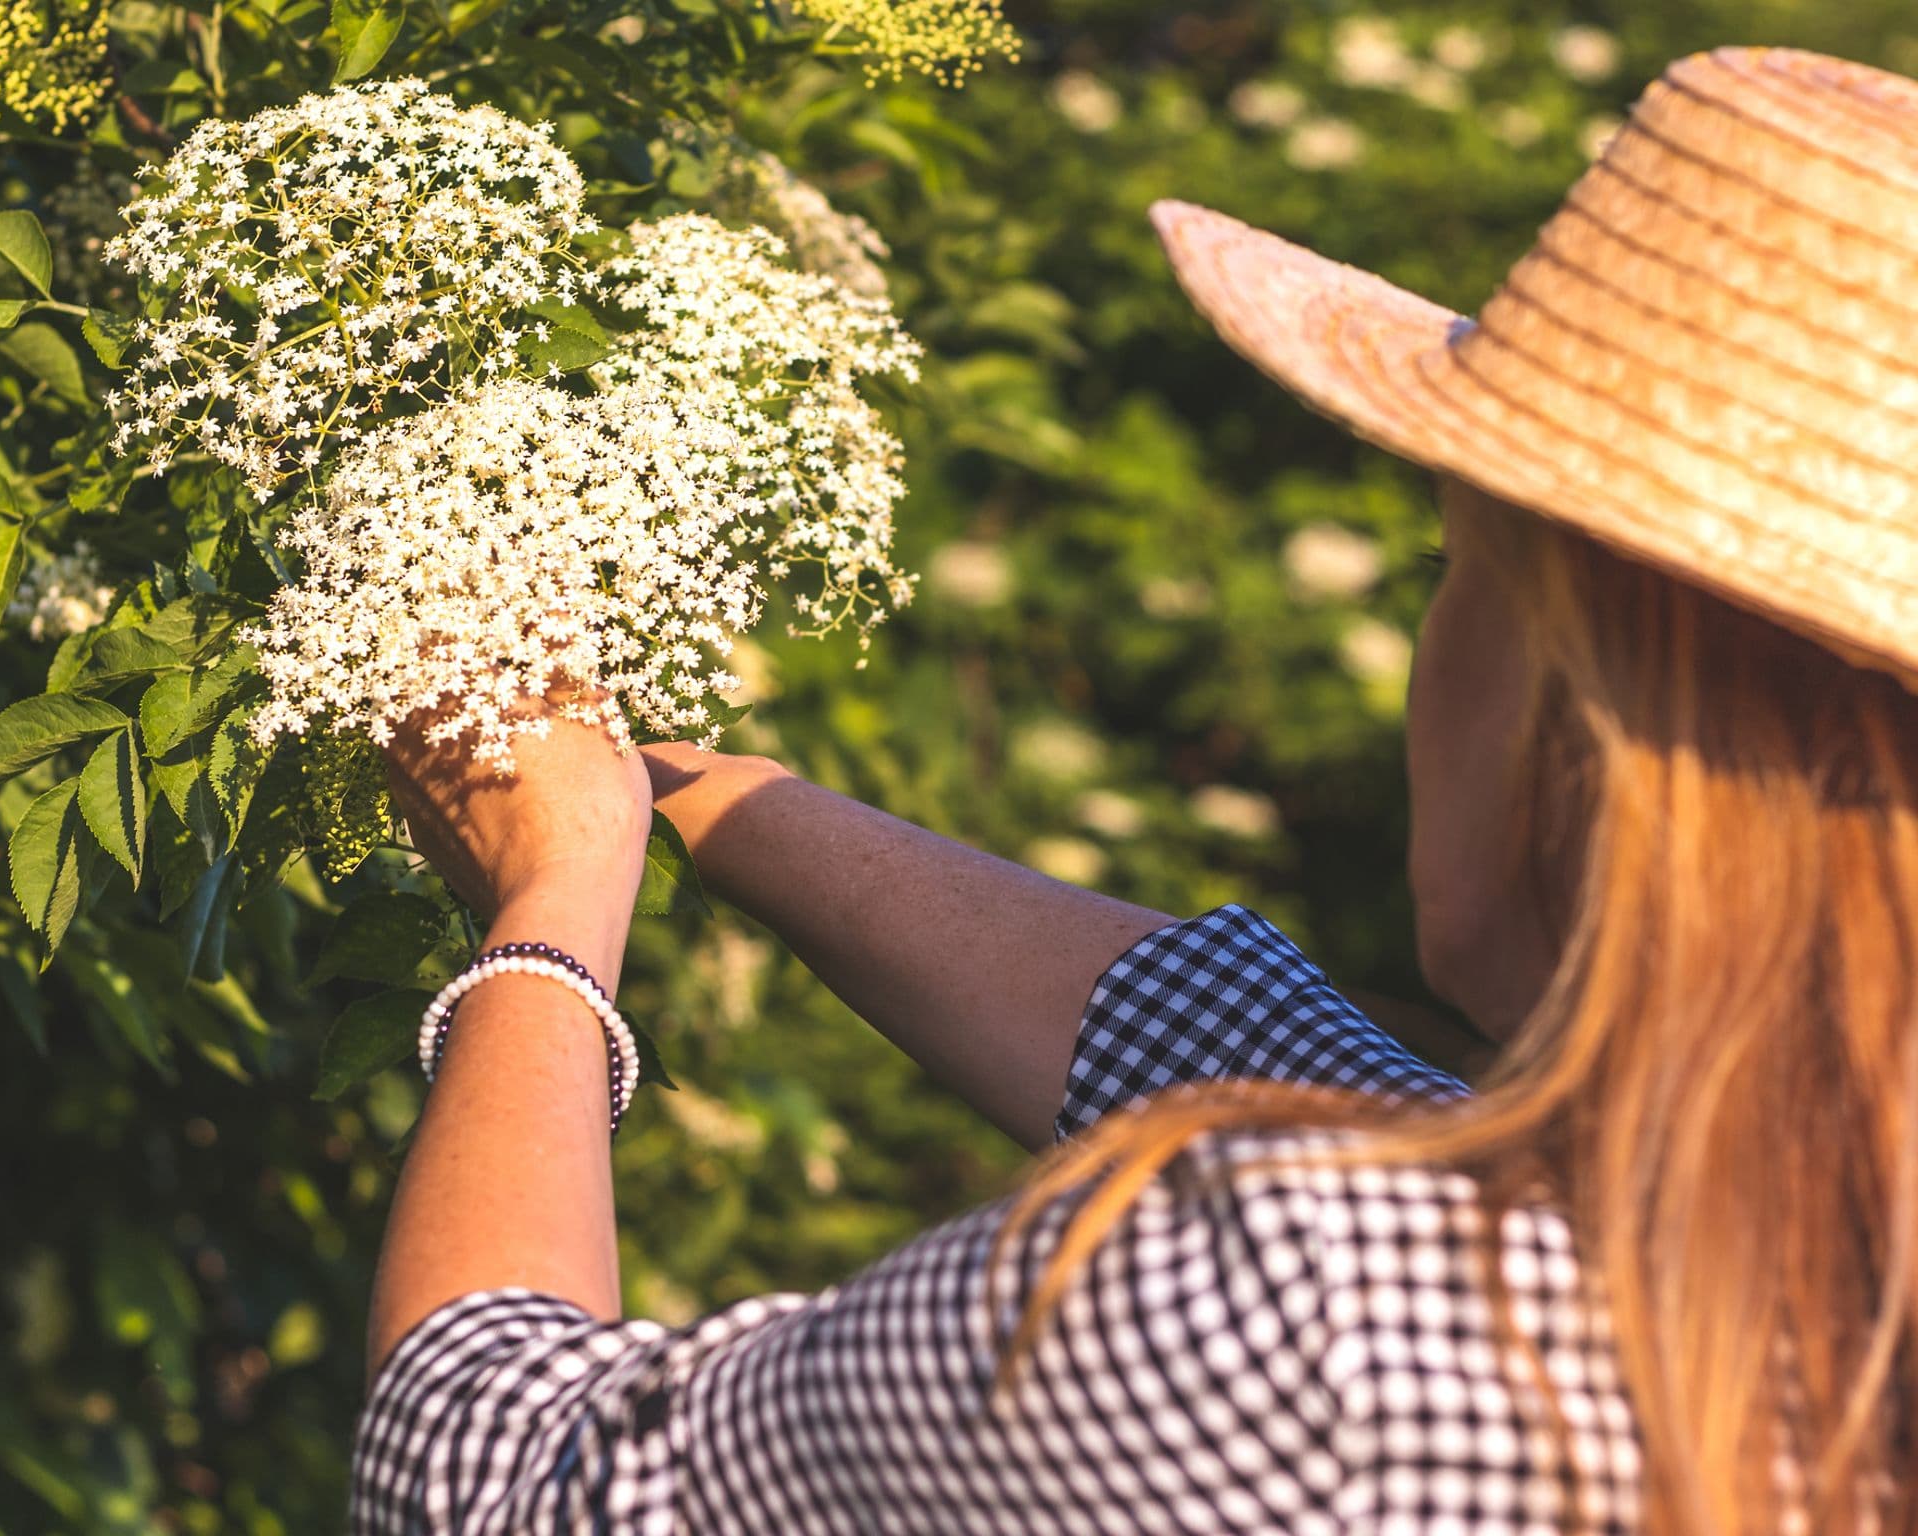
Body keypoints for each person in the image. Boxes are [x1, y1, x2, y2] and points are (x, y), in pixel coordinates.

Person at [349, 46, 1918, 1535]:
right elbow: (1283, 1062)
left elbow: (491, 1474)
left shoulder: (1314, 1326)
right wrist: (704, 793)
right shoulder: (1804, 1268)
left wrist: (551, 916)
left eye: (1460, 572)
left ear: (1586, 716)